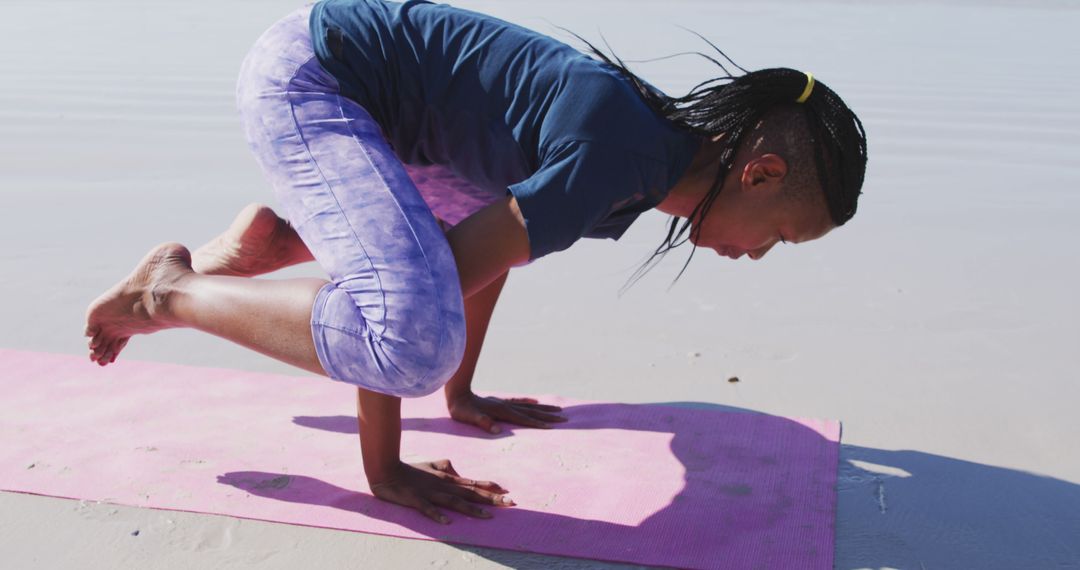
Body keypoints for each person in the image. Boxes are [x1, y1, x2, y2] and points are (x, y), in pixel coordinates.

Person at [83, 0, 867, 525]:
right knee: (407, 334)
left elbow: (484, 244)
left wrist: (462, 394)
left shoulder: (650, 160)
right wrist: (384, 469)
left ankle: (281, 241)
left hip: (393, 118)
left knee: (442, 293)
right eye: (779, 236)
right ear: (760, 173)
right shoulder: (617, 159)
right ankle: (170, 291)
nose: (758, 254)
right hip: (315, 79)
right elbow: (410, 311)